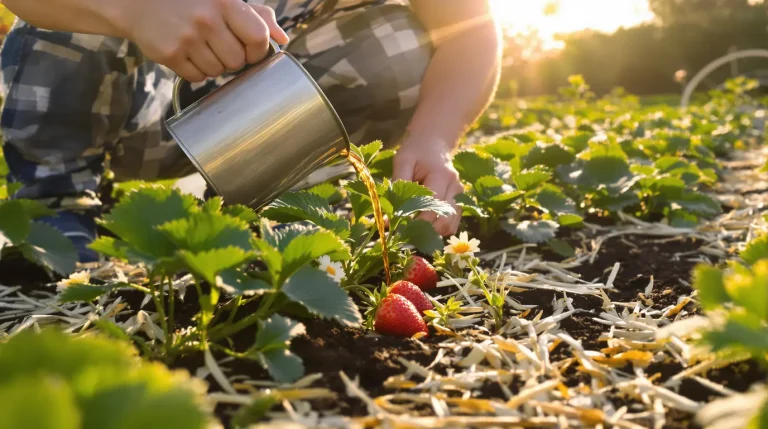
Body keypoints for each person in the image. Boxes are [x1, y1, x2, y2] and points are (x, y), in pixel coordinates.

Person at [0, 0, 502, 263]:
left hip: (258, 121)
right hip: (130, 98)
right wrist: (136, 8)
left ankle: (262, 209)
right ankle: (58, 202)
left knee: (402, 46)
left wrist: (433, 138)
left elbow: (471, 27)